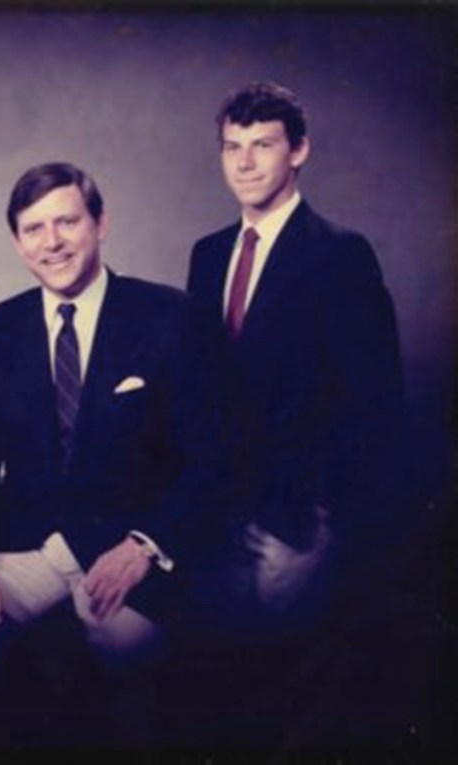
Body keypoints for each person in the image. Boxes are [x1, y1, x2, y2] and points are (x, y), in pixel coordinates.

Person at [0, 162, 222, 745]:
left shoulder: (169, 317)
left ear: (101, 224)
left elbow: (209, 458)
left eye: (67, 221)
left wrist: (146, 547)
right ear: (17, 242)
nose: (52, 241)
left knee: (131, 650)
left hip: (123, 539)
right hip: (27, 538)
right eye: (34, 229)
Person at [180, 81, 407, 750]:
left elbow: (376, 400)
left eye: (262, 146)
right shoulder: (208, 253)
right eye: (231, 147)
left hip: (295, 516)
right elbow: (202, 385)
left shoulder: (339, 253)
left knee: (282, 693)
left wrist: (327, 513)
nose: (244, 163)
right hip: (212, 516)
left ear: (299, 150)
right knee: (217, 687)